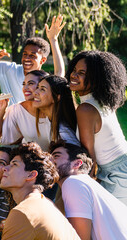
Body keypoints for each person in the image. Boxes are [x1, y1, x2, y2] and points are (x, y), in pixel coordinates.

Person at [66, 50, 127, 204]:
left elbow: (89, 157)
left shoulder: (86, 109)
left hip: (117, 174)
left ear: (96, 79)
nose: (73, 75)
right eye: (74, 70)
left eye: (81, 73)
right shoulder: (100, 100)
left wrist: (89, 185)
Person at [0, 142, 80, 240]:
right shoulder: (46, 202)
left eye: (14, 164)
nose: (4, 168)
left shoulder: (23, 213)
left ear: (31, 175)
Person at [50, 140, 127, 240]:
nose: (49, 161)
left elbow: (79, 238)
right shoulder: (85, 183)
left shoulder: (73, 182)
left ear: (77, 163)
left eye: (56, 156)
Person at [0, 15, 66, 105]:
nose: (26, 58)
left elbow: (59, 75)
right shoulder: (8, 69)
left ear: (43, 60)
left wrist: (53, 40)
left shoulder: (44, 80)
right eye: (25, 54)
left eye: (32, 55)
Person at [0, 70, 51, 151]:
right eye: (24, 84)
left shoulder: (53, 109)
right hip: (33, 158)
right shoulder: (18, 109)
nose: (25, 88)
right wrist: (1, 111)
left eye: (30, 83)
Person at [33, 75, 80, 145]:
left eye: (42, 89)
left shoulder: (64, 133)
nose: (35, 92)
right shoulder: (49, 120)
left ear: (57, 97)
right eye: (37, 87)